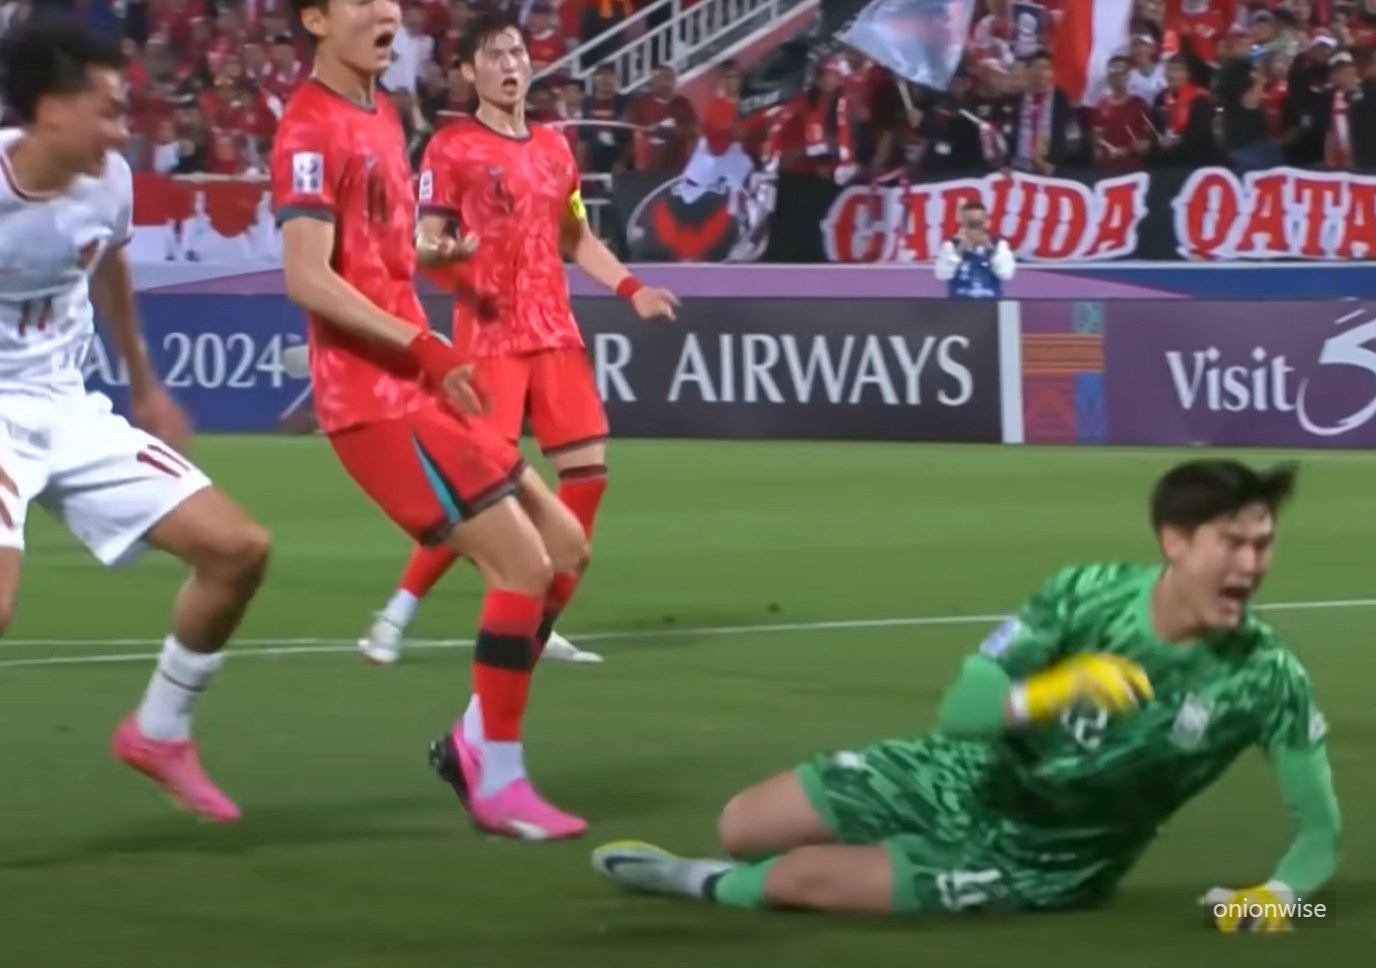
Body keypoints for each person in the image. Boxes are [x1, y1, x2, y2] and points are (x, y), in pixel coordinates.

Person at [594, 460, 1341, 932]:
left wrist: (1278, 902)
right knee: (743, 822)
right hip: (960, 774)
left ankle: (699, 882)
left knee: (793, 880)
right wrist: (1056, 690)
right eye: (1232, 543)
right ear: (1174, 541)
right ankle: (792, 861)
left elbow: (1320, 837)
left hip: (1045, 860)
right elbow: (961, 712)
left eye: (1263, 545)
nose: (1251, 564)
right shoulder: (1084, 594)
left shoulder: (1267, 676)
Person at [273, 0, 610, 841]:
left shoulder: (383, 113)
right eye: (361, 3)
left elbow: (394, 258)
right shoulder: (310, 128)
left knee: (566, 548)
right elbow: (309, 279)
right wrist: (424, 351)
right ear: (316, 19)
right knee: (521, 565)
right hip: (374, 399)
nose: (386, 12)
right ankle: (497, 774)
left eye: (390, 1)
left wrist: (436, 286)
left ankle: (473, 739)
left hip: (422, 385)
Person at [0, 20, 272, 823]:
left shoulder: (108, 180)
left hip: (70, 407)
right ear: (50, 110)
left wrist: (143, 383)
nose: (124, 130)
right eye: (109, 110)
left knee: (238, 550)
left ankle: (160, 731)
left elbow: (108, 257)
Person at [356, 11, 677, 669]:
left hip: (556, 333)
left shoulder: (556, 149)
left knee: (587, 477)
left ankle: (536, 624)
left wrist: (631, 288)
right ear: (470, 71)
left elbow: (577, 237)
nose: (509, 64)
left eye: (517, 52)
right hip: (491, 341)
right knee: (481, 493)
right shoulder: (452, 149)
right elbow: (426, 245)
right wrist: (451, 252)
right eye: (494, 55)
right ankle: (396, 612)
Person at [934, 201, 1015, 299]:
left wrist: (990, 249)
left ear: (986, 222)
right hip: (958, 307)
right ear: (962, 223)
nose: (975, 229)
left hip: (992, 306)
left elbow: (1006, 274)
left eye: (978, 224)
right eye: (971, 224)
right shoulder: (950, 245)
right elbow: (942, 274)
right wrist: (960, 250)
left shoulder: (999, 245)